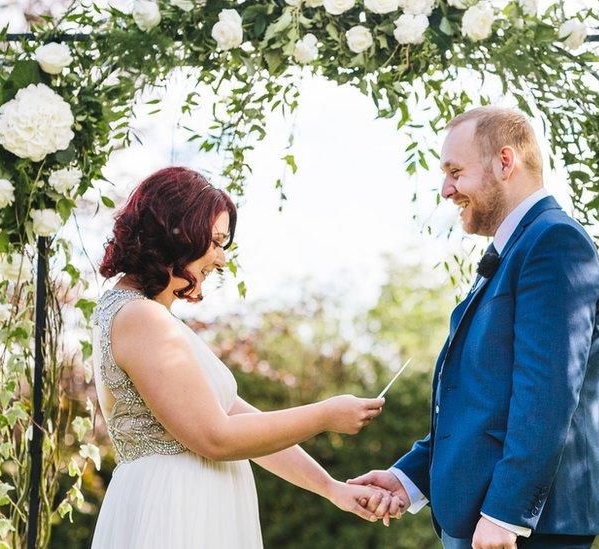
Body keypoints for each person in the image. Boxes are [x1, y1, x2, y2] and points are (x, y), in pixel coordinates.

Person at [349, 107, 599, 548]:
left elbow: (547, 394)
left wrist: (506, 515)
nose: (445, 189)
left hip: (525, 530)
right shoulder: (515, 248)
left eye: (455, 172)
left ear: (505, 162)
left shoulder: (554, 243)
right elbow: (480, 401)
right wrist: (408, 478)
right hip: (478, 521)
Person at [89, 167, 395, 548]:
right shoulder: (140, 317)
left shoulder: (154, 318)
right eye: (214, 242)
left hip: (195, 506)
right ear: (177, 232)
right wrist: (326, 415)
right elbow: (216, 438)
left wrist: (331, 488)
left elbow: (240, 419)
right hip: (173, 512)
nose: (220, 259)